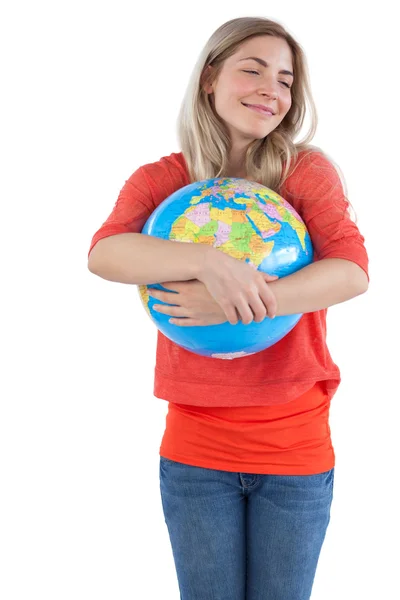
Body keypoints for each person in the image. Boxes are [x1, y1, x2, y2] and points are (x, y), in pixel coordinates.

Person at [87, 16, 369, 600]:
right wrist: (211, 262)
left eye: (287, 80)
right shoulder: (162, 180)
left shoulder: (304, 172)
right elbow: (106, 254)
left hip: (295, 450)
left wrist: (241, 305)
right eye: (253, 69)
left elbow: (351, 272)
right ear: (210, 79)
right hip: (196, 450)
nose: (273, 89)